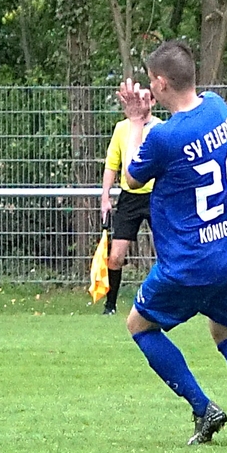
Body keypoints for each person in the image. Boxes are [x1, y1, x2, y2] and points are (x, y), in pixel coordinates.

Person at [116, 39, 227, 446]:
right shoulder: (217, 108)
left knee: (139, 325)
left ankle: (203, 408)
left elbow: (132, 179)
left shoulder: (165, 137)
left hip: (193, 261)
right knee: (226, 332)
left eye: (151, 80)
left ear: (160, 83)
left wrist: (136, 121)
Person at [99, 100, 162, 315]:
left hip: (156, 196)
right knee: (116, 257)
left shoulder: (160, 128)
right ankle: (110, 306)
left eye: (145, 98)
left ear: (152, 101)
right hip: (129, 199)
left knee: (169, 253)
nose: (141, 103)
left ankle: (173, 302)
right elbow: (111, 164)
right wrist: (105, 197)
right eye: (138, 98)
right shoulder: (121, 128)